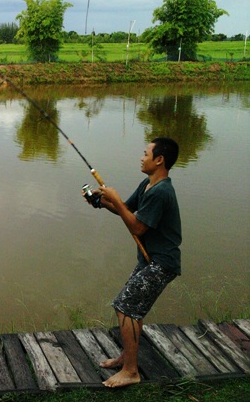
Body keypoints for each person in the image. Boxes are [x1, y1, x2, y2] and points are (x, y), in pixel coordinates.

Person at [89, 137, 181, 388]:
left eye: (146, 153)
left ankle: (131, 371)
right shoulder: (148, 184)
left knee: (125, 306)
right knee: (132, 308)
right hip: (148, 259)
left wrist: (116, 199)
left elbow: (138, 227)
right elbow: (125, 211)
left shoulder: (162, 191)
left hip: (162, 263)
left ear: (159, 159)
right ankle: (126, 358)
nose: (141, 157)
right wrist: (101, 201)